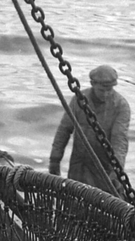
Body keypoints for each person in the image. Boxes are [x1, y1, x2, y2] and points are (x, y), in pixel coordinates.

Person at [48, 65, 130, 194]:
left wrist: (117, 171)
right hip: (78, 163)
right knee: (74, 199)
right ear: (92, 84)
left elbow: (119, 140)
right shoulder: (79, 100)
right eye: (102, 90)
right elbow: (64, 130)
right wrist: (55, 159)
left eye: (109, 89)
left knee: (104, 202)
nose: (106, 94)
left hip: (104, 166)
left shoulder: (121, 106)